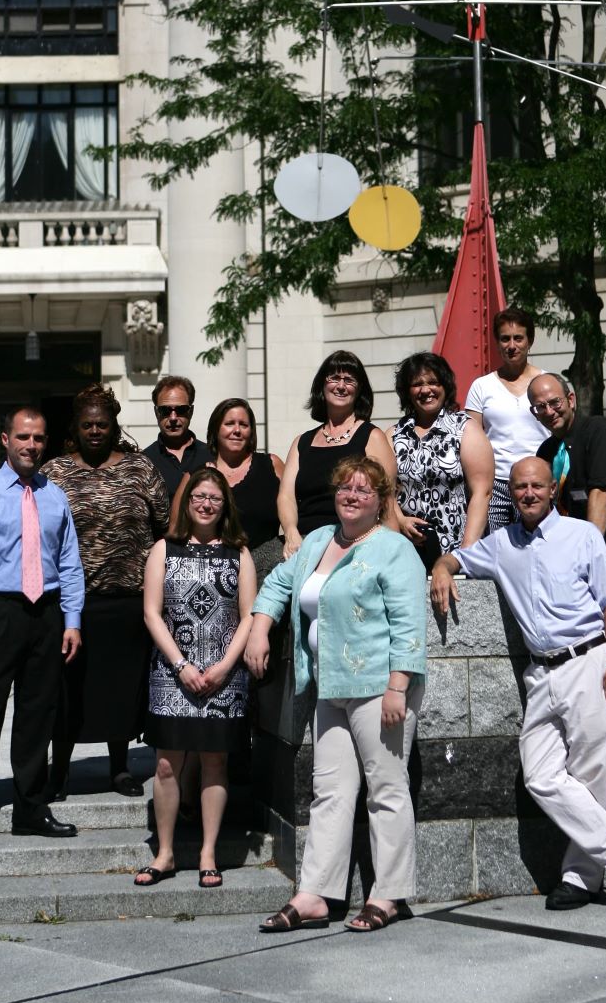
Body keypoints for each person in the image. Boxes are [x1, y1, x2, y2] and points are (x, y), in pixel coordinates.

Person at [431, 457, 606, 912]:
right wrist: (441, 566)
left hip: (587, 663)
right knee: (540, 774)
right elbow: (460, 557)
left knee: (594, 776)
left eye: (536, 486)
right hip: (539, 674)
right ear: (511, 494)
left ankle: (581, 876)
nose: (528, 493)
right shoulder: (502, 543)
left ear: (553, 490)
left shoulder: (583, 535)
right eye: (519, 487)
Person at [247, 455, 426, 933]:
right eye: (345, 488)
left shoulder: (394, 550)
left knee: (386, 788)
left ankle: (388, 894)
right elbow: (279, 584)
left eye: (364, 490)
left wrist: (398, 687)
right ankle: (315, 894)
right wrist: (260, 628)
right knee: (330, 791)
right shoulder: (318, 542)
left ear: (381, 500)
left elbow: (410, 623)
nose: (352, 496)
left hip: (379, 688)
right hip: (329, 687)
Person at [0, 406, 84, 850]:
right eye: (23, 437)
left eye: (39, 438)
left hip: (45, 613)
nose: (31, 446)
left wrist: (71, 620)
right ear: (5, 439)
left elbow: (69, 562)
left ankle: (31, 807)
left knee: (37, 717)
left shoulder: (54, 497)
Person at [42, 383, 169, 799]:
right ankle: (58, 770)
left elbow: (163, 525)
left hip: (128, 601)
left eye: (102, 424)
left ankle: (119, 768)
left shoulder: (140, 469)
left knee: (120, 687)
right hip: (73, 605)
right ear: (75, 429)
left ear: (114, 426)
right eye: (87, 425)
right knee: (67, 691)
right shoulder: (54, 473)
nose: (95, 431)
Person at [136, 468, 257, 889]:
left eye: (215, 498)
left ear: (225, 506)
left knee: (214, 762)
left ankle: (208, 853)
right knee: (168, 764)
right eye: (199, 497)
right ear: (187, 503)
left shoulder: (239, 553)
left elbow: (248, 617)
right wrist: (181, 665)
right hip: (172, 674)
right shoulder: (163, 550)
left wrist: (224, 666)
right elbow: (152, 613)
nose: (206, 504)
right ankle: (165, 853)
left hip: (225, 675)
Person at [277, 349, 399, 558]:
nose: (341, 386)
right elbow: (286, 496)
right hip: (304, 542)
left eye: (349, 380)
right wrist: (290, 532)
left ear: (359, 389)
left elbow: (386, 502)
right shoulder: (302, 442)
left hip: (353, 544)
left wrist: (394, 553)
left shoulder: (372, 437)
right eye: (334, 378)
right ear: (322, 385)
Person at [528, 372, 606, 570]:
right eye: (540, 407)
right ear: (535, 413)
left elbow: (601, 494)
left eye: (555, 402)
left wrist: (588, 553)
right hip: (570, 540)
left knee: (555, 568)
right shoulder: (546, 451)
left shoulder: (599, 431)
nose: (549, 411)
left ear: (571, 400)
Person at [392, 351, 495, 562]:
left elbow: (482, 493)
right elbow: (383, 491)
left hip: (455, 547)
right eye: (417, 384)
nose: (426, 389)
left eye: (433, 382)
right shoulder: (393, 434)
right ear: (407, 391)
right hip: (404, 548)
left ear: (445, 386)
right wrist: (400, 520)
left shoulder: (465, 428)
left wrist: (465, 554)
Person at [464, 306, 548, 533]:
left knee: (537, 547)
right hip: (496, 484)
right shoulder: (481, 386)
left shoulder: (547, 383)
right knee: (498, 551)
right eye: (505, 339)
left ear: (530, 341)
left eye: (518, 338)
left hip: (536, 482)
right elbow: (471, 439)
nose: (512, 345)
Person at [170, 397, 285, 558]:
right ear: (216, 429)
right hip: (213, 570)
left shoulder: (272, 465)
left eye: (244, 425)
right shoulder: (195, 476)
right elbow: (176, 530)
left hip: (267, 570)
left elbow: (296, 513)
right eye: (229, 423)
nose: (237, 430)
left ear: (251, 431)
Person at [142, 373, 211, 504]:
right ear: (156, 413)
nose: (173, 417)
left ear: (191, 411)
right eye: (165, 411)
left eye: (181, 410)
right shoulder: (144, 461)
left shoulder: (211, 455)